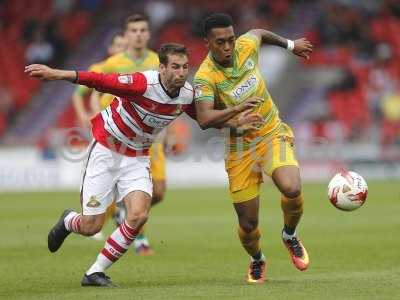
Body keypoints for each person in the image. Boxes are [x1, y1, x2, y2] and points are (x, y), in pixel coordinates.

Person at [25, 43, 262, 287]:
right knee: (90, 226)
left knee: (138, 216)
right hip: (106, 150)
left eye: (184, 67)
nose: (181, 73)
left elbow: (205, 119)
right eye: (175, 67)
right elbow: (98, 80)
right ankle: (68, 221)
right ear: (162, 68)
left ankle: (95, 272)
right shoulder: (142, 83)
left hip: (137, 157)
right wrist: (57, 73)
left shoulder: (187, 94)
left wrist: (236, 124)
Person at [194, 13, 313, 283]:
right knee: (248, 225)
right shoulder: (205, 77)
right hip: (239, 149)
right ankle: (257, 258)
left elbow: (259, 32)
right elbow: (203, 118)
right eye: (220, 42)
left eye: (230, 40)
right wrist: (236, 115)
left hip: (271, 133)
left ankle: (289, 235)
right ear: (207, 43)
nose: (227, 47)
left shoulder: (245, 47)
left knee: (292, 187)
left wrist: (291, 45)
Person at [73, 14, 171, 254]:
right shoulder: (112, 64)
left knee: (158, 192)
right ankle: (132, 235)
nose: (138, 34)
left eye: (142, 30)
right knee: (124, 194)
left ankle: (122, 212)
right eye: (134, 30)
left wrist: (166, 130)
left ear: (148, 34)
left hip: (150, 137)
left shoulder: (157, 61)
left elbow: (166, 97)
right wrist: (88, 116)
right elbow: (83, 92)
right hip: (118, 137)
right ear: (127, 35)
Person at [72, 32, 127, 241]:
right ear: (111, 49)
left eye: (124, 45)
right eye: (118, 45)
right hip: (104, 129)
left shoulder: (129, 68)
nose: (122, 48)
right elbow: (79, 94)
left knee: (121, 175)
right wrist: (84, 116)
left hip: (126, 132)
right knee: (102, 172)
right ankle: (91, 216)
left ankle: (117, 215)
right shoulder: (100, 68)